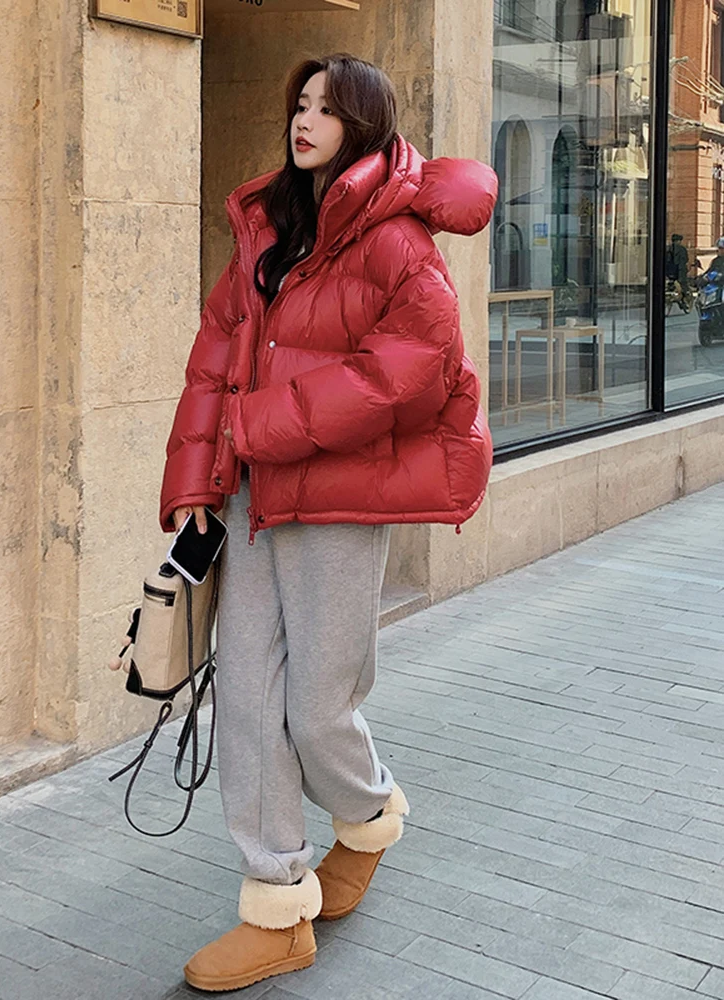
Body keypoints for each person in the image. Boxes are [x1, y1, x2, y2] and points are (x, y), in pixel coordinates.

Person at [159, 53, 497, 993]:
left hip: (339, 507)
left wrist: (260, 424)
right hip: (252, 502)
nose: (302, 119)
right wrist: (195, 479)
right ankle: (275, 903)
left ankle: (370, 812)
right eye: (297, 104)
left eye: (324, 107)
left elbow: (418, 366)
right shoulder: (267, 229)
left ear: (364, 120)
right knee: (248, 711)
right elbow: (211, 364)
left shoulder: (398, 239)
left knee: (316, 709)